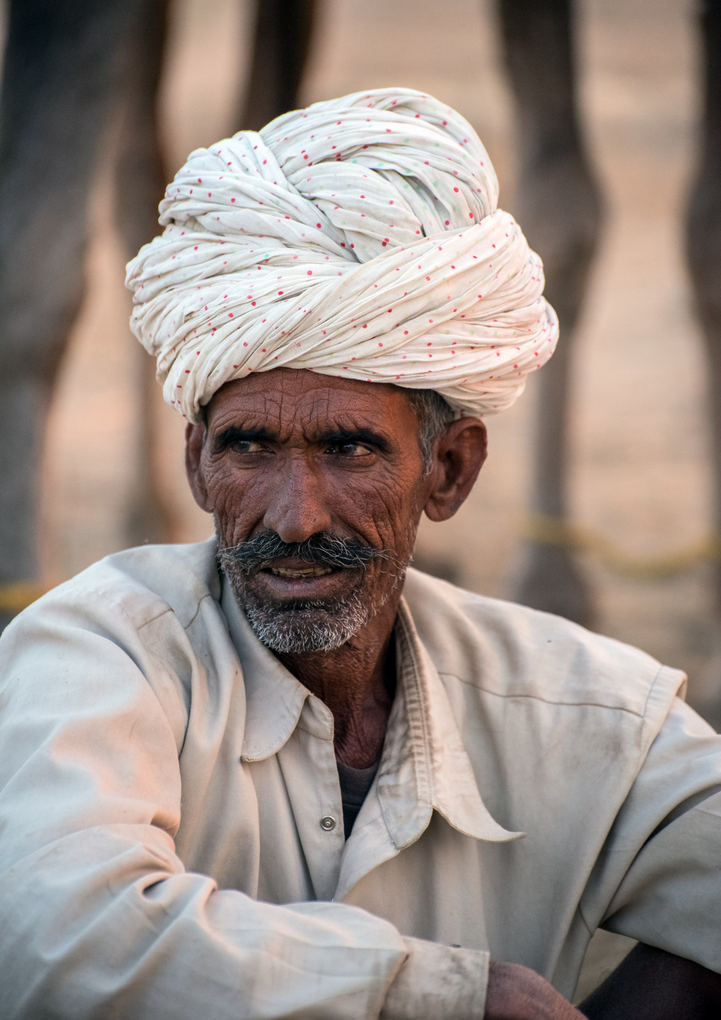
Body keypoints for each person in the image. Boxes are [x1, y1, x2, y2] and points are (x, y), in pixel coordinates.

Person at [0, 88, 719, 1020]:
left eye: (349, 449)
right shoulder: (103, 651)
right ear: (197, 464)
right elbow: (55, 936)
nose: (294, 517)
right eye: (249, 447)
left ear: (448, 471)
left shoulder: (573, 706)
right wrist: (444, 998)